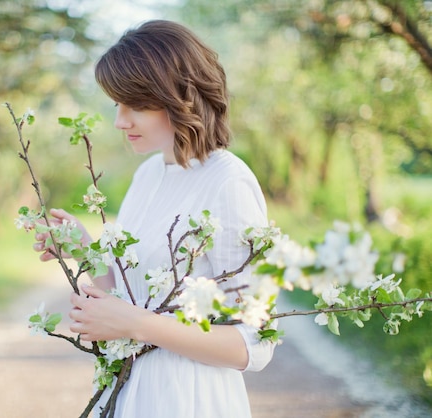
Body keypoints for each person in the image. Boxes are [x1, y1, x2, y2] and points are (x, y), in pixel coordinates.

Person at [34, 20, 275, 418]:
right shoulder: (148, 174)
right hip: (131, 392)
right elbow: (131, 296)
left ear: (184, 97)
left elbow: (255, 343)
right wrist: (86, 251)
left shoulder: (228, 182)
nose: (120, 121)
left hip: (191, 398)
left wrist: (138, 325)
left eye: (137, 105)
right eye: (117, 104)